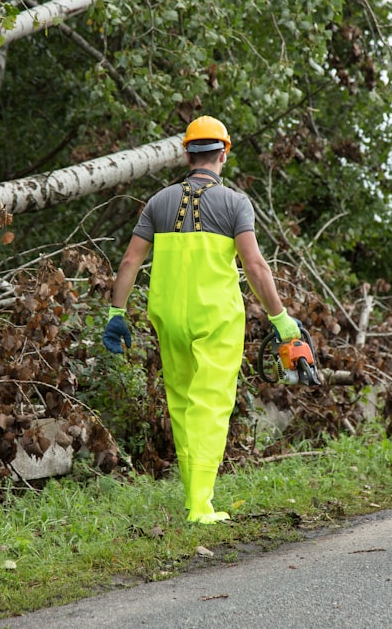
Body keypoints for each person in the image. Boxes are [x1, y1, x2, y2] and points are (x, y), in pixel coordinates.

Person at [102, 115, 301, 524]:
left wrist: (116, 313)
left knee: (181, 403)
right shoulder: (234, 203)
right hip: (216, 319)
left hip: (169, 316)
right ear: (223, 153)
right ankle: (200, 507)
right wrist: (281, 320)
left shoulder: (158, 202)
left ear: (186, 152)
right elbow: (256, 267)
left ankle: (196, 498)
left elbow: (129, 261)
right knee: (209, 405)